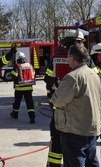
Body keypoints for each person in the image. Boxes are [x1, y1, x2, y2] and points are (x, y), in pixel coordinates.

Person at [51, 44, 101, 167]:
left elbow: (57, 101)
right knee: (91, 162)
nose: (67, 59)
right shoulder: (94, 74)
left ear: (73, 58)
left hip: (74, 131)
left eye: (68, 56)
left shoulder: (72, 77)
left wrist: (56, 90)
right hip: (91, 129)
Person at [44, 29, 85, 167]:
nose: (82, 44)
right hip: (77, 113)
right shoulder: (85, 59)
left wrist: (54, 98)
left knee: (56, 144)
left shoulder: (55, 58)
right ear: (72, 43)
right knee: (74, 147)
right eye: (79, 42)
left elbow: (48, 80)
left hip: (59, 111)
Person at [10, 51, 36, 123]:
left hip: (19, 88)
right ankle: (32, 118)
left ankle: (15, 115)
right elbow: (33, 74)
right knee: (30, 103)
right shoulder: (30, 65)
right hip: (29, 88)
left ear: (17, 58)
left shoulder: (17, 66)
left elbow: (13, 76)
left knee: (17, 103)